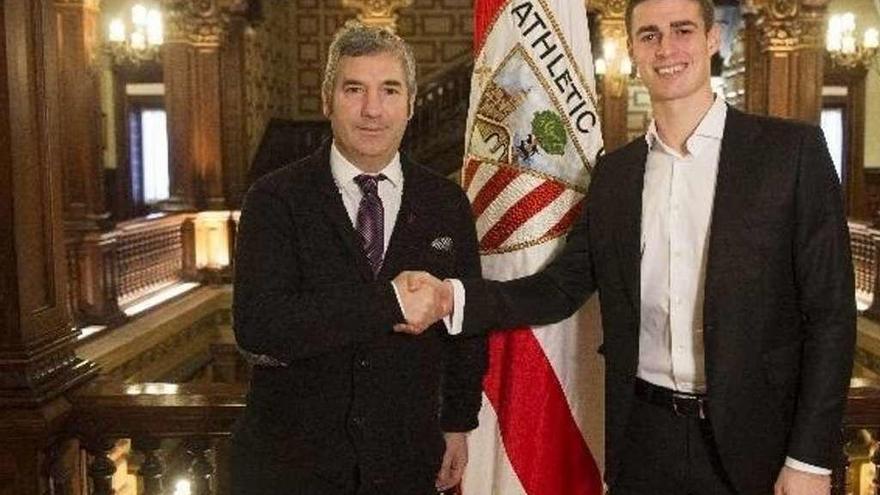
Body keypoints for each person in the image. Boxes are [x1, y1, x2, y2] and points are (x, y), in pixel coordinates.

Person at [394, 0, 856, 493]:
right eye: (650, 35)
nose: (666, 49)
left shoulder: (790, 154)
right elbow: (558, 287)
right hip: (642, 441)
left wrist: (809, 458)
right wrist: (451, 297)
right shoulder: (615, 174)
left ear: (712, 39)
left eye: (682, 30)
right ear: (632, 49)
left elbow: (830, 315)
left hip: (758, 444)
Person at [231, 21, 486, 495]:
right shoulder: (273, 198)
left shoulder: (447, 203)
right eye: (354, 89)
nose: (373, 110)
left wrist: (458, 423)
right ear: (328, 99)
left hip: (407, 463)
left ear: (410, 104)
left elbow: (466, 327)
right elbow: (259, 324)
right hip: (292, 467)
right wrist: (388, 304)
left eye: (389, 90)